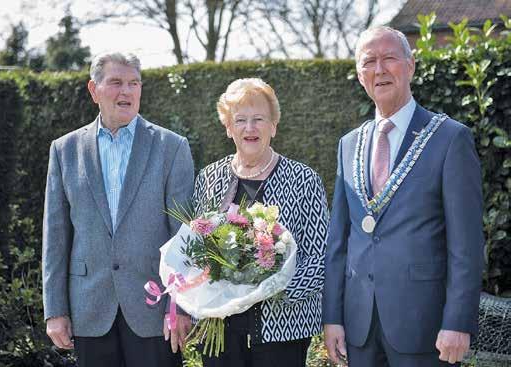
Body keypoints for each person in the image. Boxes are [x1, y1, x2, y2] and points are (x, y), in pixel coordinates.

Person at [322, 26, 484, 367]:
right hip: (358, 325)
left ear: (410, 67)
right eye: (369, 62)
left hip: (423, 325)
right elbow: (339, 239)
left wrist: (457, 320)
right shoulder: (348, 144)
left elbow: (466, 243)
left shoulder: (450, 139)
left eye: (389, 58)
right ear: (359, 75)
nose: (379, 69)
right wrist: (332, 317)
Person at [42, 52, 194, 367]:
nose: (126, 91)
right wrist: (55, 311)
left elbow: (184, 236)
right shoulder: (65, 150)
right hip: (90, 308)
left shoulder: (171, 147)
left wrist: (181, 308)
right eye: (115, 82)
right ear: (93, 90)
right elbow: (55, 237)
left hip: (155, 311)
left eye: (133, 83)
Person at [188, 78, 329, 367]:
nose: (250, 128)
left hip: (283, 328)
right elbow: (194, 250)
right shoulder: (208, 178)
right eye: (240, 120)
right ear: (228, 127)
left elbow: (322, 256)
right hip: (220, 329)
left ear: (273, 126)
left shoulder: (303, 180)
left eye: (259, 119)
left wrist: (276, 288)